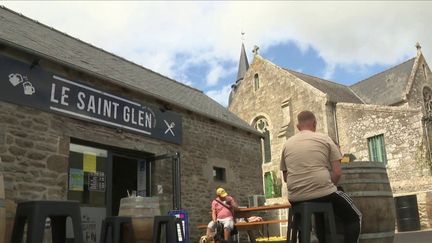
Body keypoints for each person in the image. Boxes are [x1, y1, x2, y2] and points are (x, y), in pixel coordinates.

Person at [280, 110, 361, 243]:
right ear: (315, 123)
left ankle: (307, 232)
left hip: (296, 197)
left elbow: (285, 178)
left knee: (304, 210)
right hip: (323, 193)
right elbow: (337, 172)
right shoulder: (325, 139)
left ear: (298, 127)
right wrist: (327, 187)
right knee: (355, 216)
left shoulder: (287, 144)